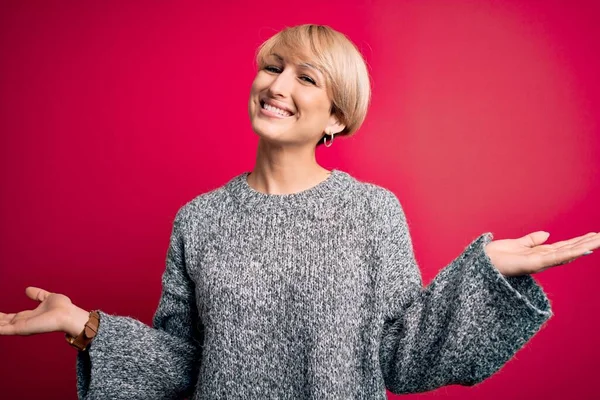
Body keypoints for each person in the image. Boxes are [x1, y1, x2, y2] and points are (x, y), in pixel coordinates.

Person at [0, 24, 598, 400]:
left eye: (306, 77)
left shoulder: (371, 212)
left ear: (337, 117)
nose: (278, 84)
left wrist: (484, 275)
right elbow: (183, 364)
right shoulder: (200, 219)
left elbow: (401, 359)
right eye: (272, 66)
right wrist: (84, 324)